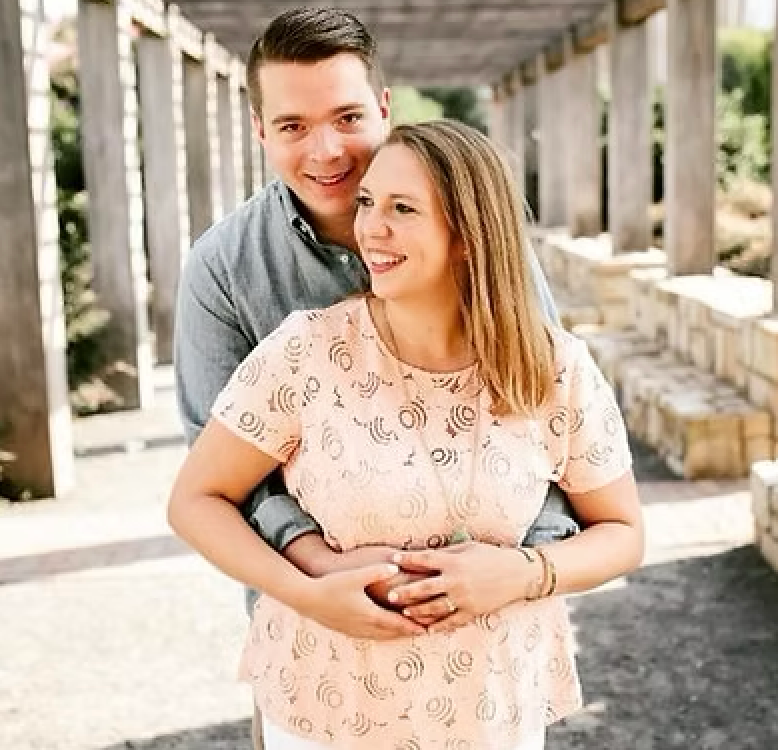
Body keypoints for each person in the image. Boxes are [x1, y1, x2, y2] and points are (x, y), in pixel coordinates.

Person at [168, 118, 644, 749]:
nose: (371, 228)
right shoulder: (309, 351)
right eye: (368, 202)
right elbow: (195, 501)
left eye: (402, 208)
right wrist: (309, 592)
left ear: (469, 237)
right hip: (328, 706)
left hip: (490, 712)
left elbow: (623, 532)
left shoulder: (555, 368)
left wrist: (524, 572)